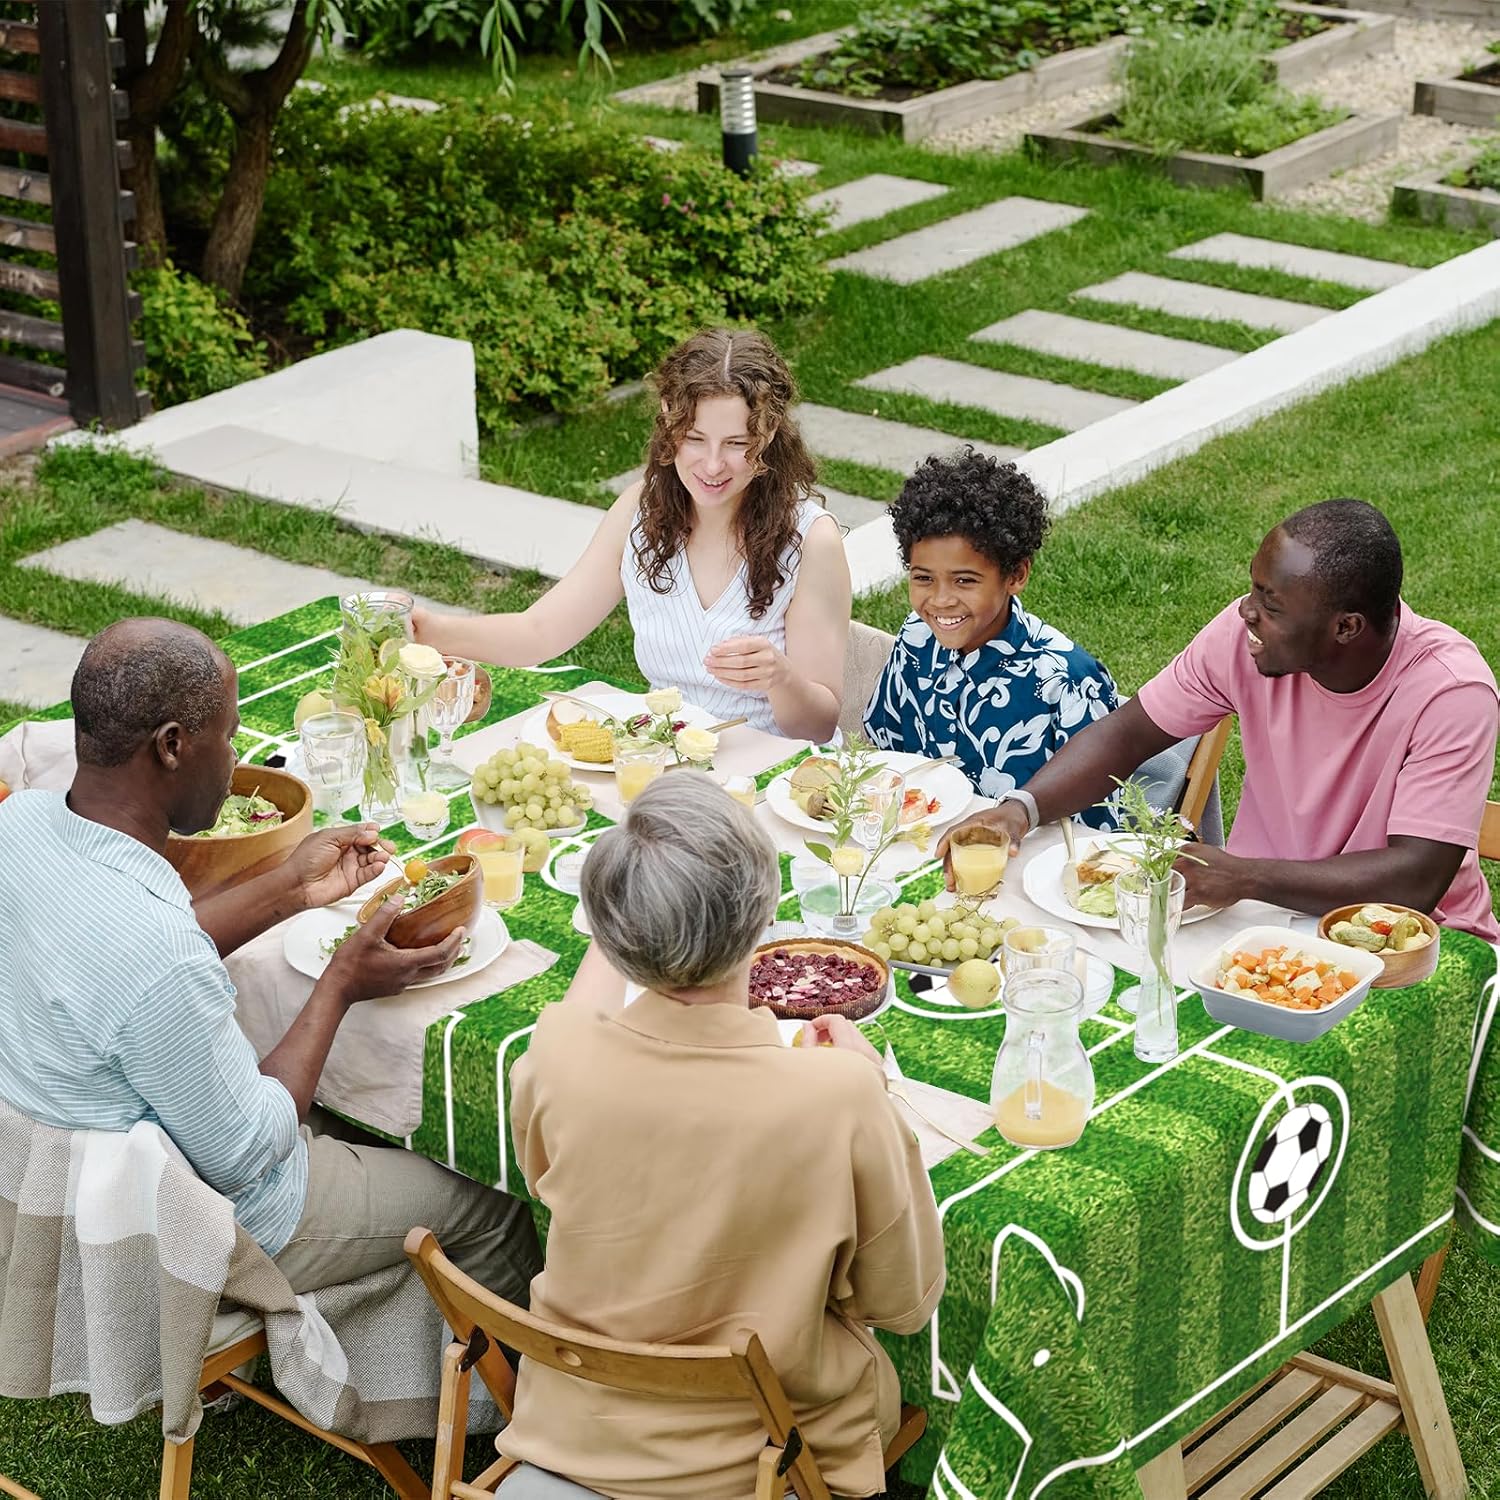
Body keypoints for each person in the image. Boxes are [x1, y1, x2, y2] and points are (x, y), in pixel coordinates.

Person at [0, 619, 541, 1299]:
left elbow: (126, 957)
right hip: (201, 1216)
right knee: (491, 1202)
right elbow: (249, 1153)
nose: (232, 760)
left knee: (360, 1106)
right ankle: (506, 1402)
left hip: (71, 1161)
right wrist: (341, 984)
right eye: (227, 735)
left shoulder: (20, 825)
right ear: (171, 746)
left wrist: (292, 888)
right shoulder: (158, 957)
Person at [498, 773, 945, 1499]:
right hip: (762, 1453)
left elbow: (547, 1180)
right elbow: (904, 1303)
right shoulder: (838, 1096)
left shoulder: (554, 1050)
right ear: (762, 913)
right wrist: (878, 1094)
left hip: (573, 1424)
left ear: (610, 934)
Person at [940, 500, 1500, 939]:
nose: (1245, 612)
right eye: (1254, 588)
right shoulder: (1244, 640)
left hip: (1410, 944)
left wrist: (1245, 875)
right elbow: (1127, 733)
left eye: (1271, 605)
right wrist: (1019, 810)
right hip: (1261, 919)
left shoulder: (1451, 692)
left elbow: (1415, 880)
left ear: (1346, 628)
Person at [411, 328, 851, 743]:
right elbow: (538, 632)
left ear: (769, 433)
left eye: (737, 444)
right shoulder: (640, 512)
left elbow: (817, 726)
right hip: (657, 763)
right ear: (668, 421)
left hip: (764, 779)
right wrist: (432, 631)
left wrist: (780, 678)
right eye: (695, 438)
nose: (713, 465)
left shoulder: (810, 540)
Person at [863, 449, 1121, 828]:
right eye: (923, 578)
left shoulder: (1068, 682)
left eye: (965, 580)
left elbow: (1097, 830)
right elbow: (887, 755)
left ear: (1016, 575)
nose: (940, 600)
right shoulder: (916, 637)